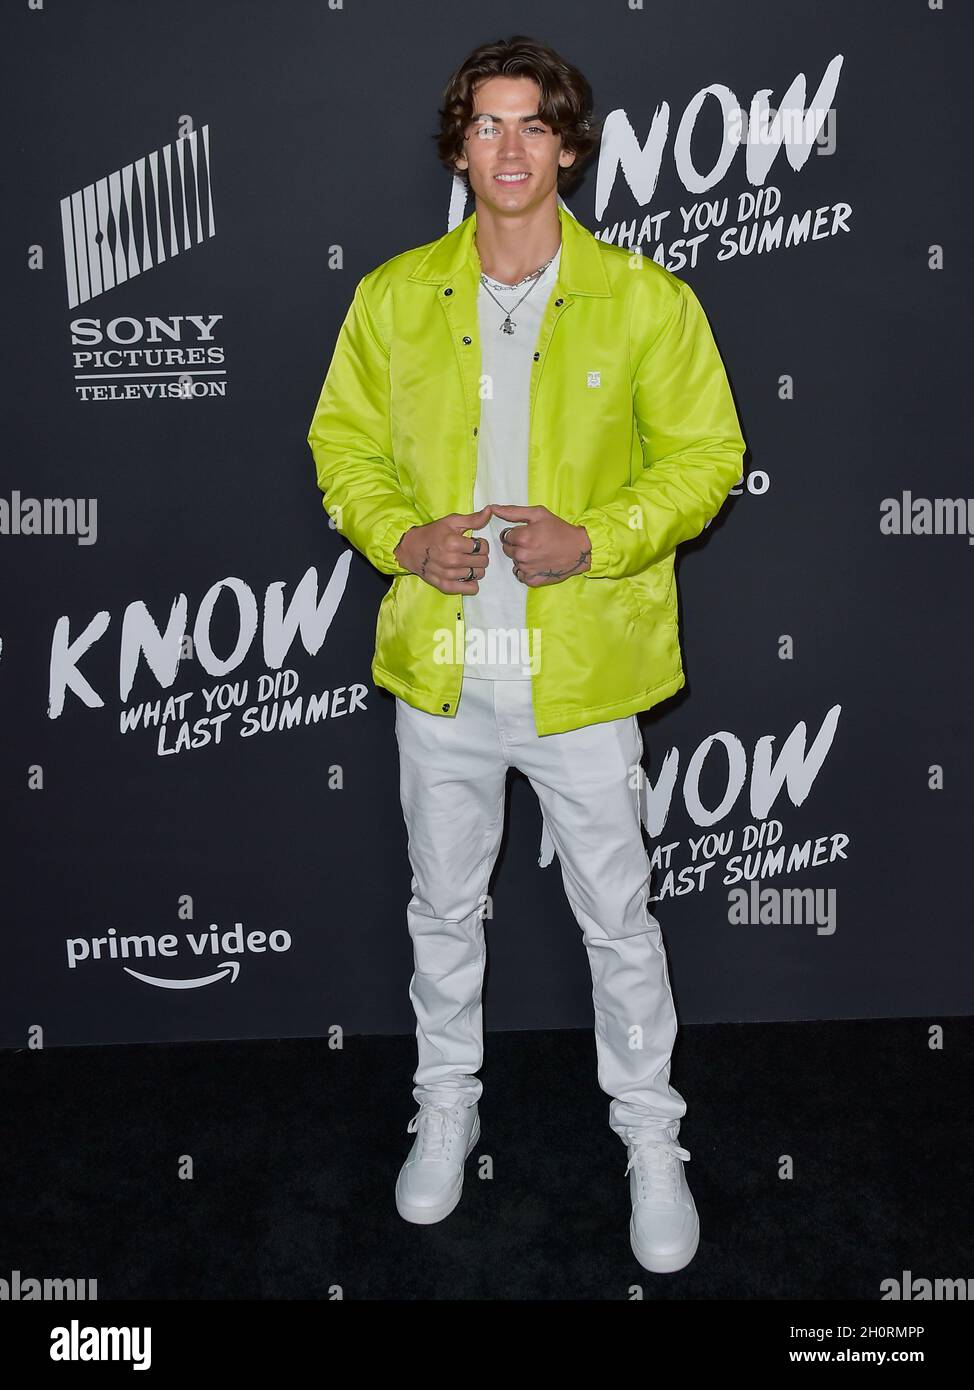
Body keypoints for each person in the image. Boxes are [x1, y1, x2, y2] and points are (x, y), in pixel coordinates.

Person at [306, 34, 746, 1275]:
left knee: (619, 919)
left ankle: (652, 1143)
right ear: (458, 147)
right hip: (442, 675)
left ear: (566, 144)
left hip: (583, 677)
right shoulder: (394, 297)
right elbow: (341, 447)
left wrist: (594, 539)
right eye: (485, 126)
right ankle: (444, 1109)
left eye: (530, 125)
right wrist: (401, 537)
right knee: (442, 909)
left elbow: (706, 455)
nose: (508, 148)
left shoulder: (647, 299)